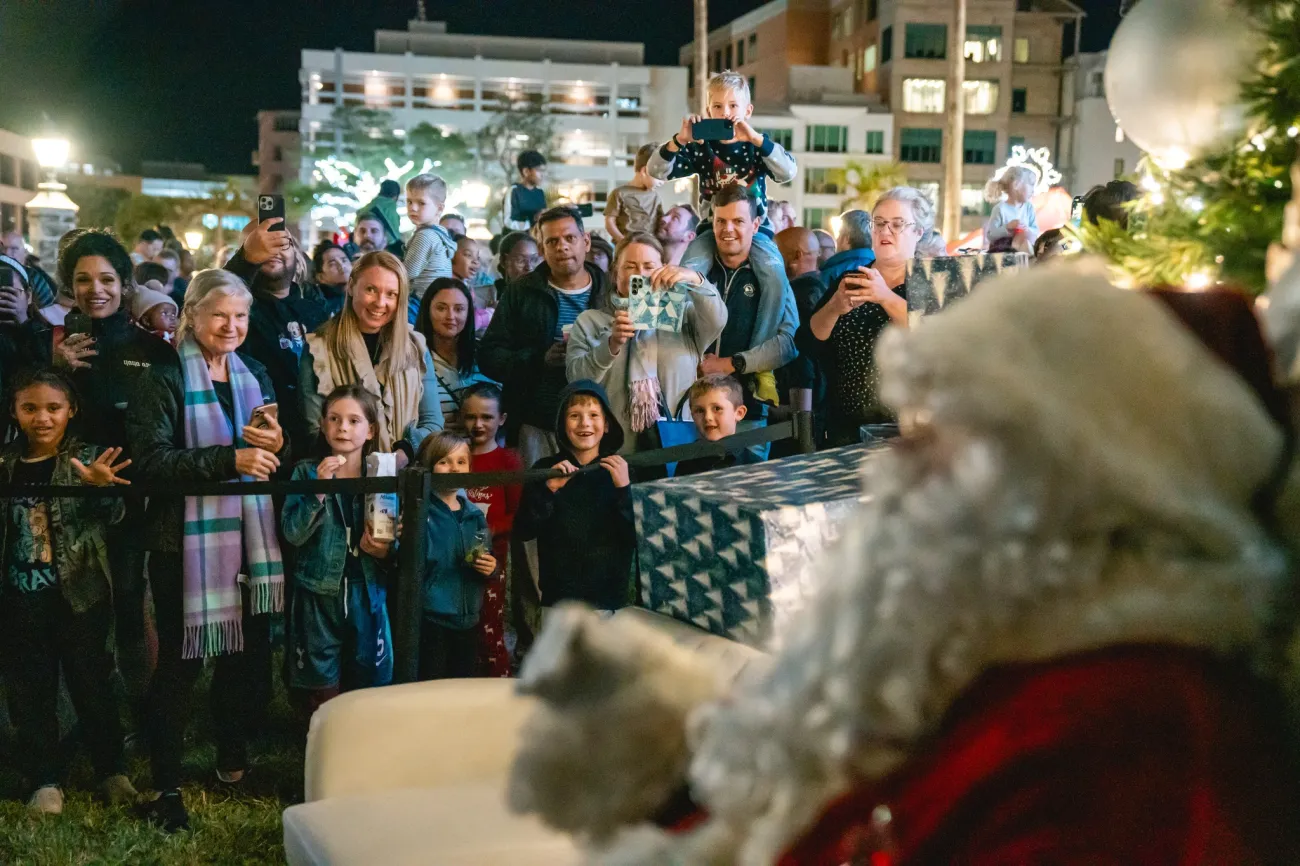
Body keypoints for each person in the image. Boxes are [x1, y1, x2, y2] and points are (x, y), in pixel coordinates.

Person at [126, 268, 287, 832]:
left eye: (241, 316)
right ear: (191, 315)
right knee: (182, 664)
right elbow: (149, 463)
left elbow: (268, 454)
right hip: (181, 544)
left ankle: (232, 764)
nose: (232, 326)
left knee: (244, 659)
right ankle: (166, 785)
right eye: (220, 314)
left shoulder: (255, 372)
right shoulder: (164, 375)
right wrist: (230, 460)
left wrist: (274, 443)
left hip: (249, 538)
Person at [1, 368, 139, 815]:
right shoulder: (5, 463)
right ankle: (44, 779)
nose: (42, 418)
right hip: (19, 599)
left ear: (71, 411)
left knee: (92, 683)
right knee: (29, 688)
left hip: (79, 594)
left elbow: (116, 519)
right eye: (30, 408)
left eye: (53, 408)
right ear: (15, 412)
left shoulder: (88, 460)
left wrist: (99, 489)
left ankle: (111, 770)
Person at [281, 384, 394, 716]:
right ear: (322, 424)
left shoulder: (383, 477)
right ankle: (322, 749)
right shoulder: (305, 472)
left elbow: (397, 542)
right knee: (320, 684)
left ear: (370, 429)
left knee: (368, 678)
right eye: (334, 418)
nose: (343, 427)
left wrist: (383, 550)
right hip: (318, 592)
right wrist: (317, 491)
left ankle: (362, 748)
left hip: (367, 592)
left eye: (354, 420)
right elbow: (292, 534)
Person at [567, 232, 726, 453]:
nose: (640, 274)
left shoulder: (682, 315)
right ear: (615, 274)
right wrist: (611, 344)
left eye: (649, 266)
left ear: (663, 269)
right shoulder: (590, 321)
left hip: (677, 444)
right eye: (630, 267)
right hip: (614, 448)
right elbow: (577, 380)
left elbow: (718, 319)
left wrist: (694, 279)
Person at [649, 72, 797, 306]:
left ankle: (767, 339)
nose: (725, 113)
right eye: (718, 106)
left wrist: (758, 140)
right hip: (711, 229)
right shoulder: (701, 147)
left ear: (747, 111)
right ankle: (682, 335)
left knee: (776, 279)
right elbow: (656, 171)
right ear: (709, 111)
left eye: (733, 105)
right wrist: (679, 140)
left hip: (757, 230)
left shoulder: (756, 145)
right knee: (685, 273)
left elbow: (787, 172)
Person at [480, 205, 607, 467]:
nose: (562, 247)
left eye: (570, 238)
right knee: (537, 500)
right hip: (538, 422)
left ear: (585, 241)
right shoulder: (521, 292)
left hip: (601, 421)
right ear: (542, 250)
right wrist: (540, 359)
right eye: (552, 241)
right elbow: (489, 356)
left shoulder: (610, 290)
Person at [797, 186, 922, 447]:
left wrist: (884, 296)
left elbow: (934, 339)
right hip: (845, 428)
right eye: (879, 223)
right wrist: (834, 308)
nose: (885, 231)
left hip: (910, 431)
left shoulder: (929, 283)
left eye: (897, 224)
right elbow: (808, 343)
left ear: (917, 232)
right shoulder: (851, 280)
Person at [301, 250, 445, 466]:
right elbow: (313, 430)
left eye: (391, 294)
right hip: (343, 482)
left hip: (406, 479)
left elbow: (433, 422)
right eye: (371, 290)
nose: (380, 303)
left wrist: (401, 455)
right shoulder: (318, 348)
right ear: (351, 287)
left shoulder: (415, 347)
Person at [514, 380, 634, 614]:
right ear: (561, 423)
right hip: (558, 599)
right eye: (574, 415)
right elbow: (524, 530)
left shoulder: (621, 471)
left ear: (607, 424)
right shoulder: (546, 469)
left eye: (593, 415)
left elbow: (635, 536)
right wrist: (549, 489)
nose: (585, 423)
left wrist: (623, 489)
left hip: (606, 601)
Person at [223, 219, 330, 456]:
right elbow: (216, 294)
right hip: (255, 443)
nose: (273, 250)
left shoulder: (318, 311)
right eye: (261, 244)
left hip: (318, 446)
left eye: (283, 243)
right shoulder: (236, 313)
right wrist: (244, 261)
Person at [694, 184, 799, 421]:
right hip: (695, 410)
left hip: (750, 410)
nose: (727, 229)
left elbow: (788, 343)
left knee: (752, 460)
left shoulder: (773, 277)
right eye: (721, 221)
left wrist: (733, 363)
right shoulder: (696, 271)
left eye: (738, 221)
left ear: (755, 224)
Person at [417, 432, 497, 680]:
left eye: (461, 462)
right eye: (444, 461)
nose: (454, 468)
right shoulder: (420, 513)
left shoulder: (475, 514)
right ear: (429, 467)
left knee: (461, 685)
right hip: (432, 620)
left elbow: (484, 557)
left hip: (469, 619)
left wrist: (490, 568)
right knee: (432, 687)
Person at [461, 382, 520, 677]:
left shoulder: (508, 461)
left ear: (502, 419)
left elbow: (519, 515)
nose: (478, 424)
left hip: (491, 562)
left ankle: (500, 686)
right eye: (471, 417)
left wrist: (492, 528)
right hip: (452, 563)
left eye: (486, 417)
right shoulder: (456, 459)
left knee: (489, 630)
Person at [416, 276, 495, 434]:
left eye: (459, 309)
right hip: (436, 453)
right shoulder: (415, 360)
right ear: (427, 311)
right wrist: (432, 428)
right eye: (441, 308)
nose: (450, 316)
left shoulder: (485, 356)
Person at [775, 226, 828, 416]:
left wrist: (794, 406)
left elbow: (804, 353)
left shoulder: (801, 296)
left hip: (798, 404)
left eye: (776, 252)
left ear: (796, 256)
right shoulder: (822, 290)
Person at [673, 374, 757, 476]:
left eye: (717, 408)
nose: (708, 417)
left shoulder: (754, 466)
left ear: (739, 413)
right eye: (699, 410)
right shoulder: (687, 462)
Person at [402, 173, 455, 326]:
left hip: (419, 301)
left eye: (421, 203)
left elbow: (407, 273)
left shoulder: (425, 236)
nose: (413, 207)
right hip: (437, 299)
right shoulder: (441, 233)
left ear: (439, 208)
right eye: (409, 201)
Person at [605, 143, 665, 245]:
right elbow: (609, 222)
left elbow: (660, 222)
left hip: (649, 247)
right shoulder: (619, 193)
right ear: (644, 171)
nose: (662, 182)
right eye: (660, 176)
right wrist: (623, 241)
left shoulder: (656, 197)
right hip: (624, 247)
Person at [983, 165, 1040, 252]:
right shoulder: (1000, 209)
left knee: (1025, 242)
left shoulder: (1029, 208)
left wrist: (1027, 229)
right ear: (1016, 185)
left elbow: (1035, 231)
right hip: (1002, 252)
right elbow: (991, 235)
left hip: (1023, 246)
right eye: (1031, 184)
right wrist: (1007, 227)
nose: (1033, 190)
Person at [820, 210, 876, 291]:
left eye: (839, 233)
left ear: (847, 238)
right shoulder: (882, 270)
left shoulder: (831, 273)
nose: (837, 239)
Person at [3, 231, 55, 307]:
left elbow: (50, 309)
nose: (7, 253)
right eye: (4, 248)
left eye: (14, 249)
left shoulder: (36, 276)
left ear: (25, 252)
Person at [357, 179, 406, 259]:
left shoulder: (367, 207)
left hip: (364, 246)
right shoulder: (390, 205)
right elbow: (394, 236)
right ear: (395, 195)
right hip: (385, 248)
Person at [504, 150, 548, 231]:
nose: (543, 175)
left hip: (535, 239)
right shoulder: (514, 191)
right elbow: (508, 222)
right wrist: (532, 221)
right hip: (516, 239)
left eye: (544, 171)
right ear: (526, 172)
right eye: (539, 170)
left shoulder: (540, 192)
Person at [311, 240, 352, 317]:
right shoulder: (317, 305)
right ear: (320, 277)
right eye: (332, 264)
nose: (342, 266)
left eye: (344, 260)